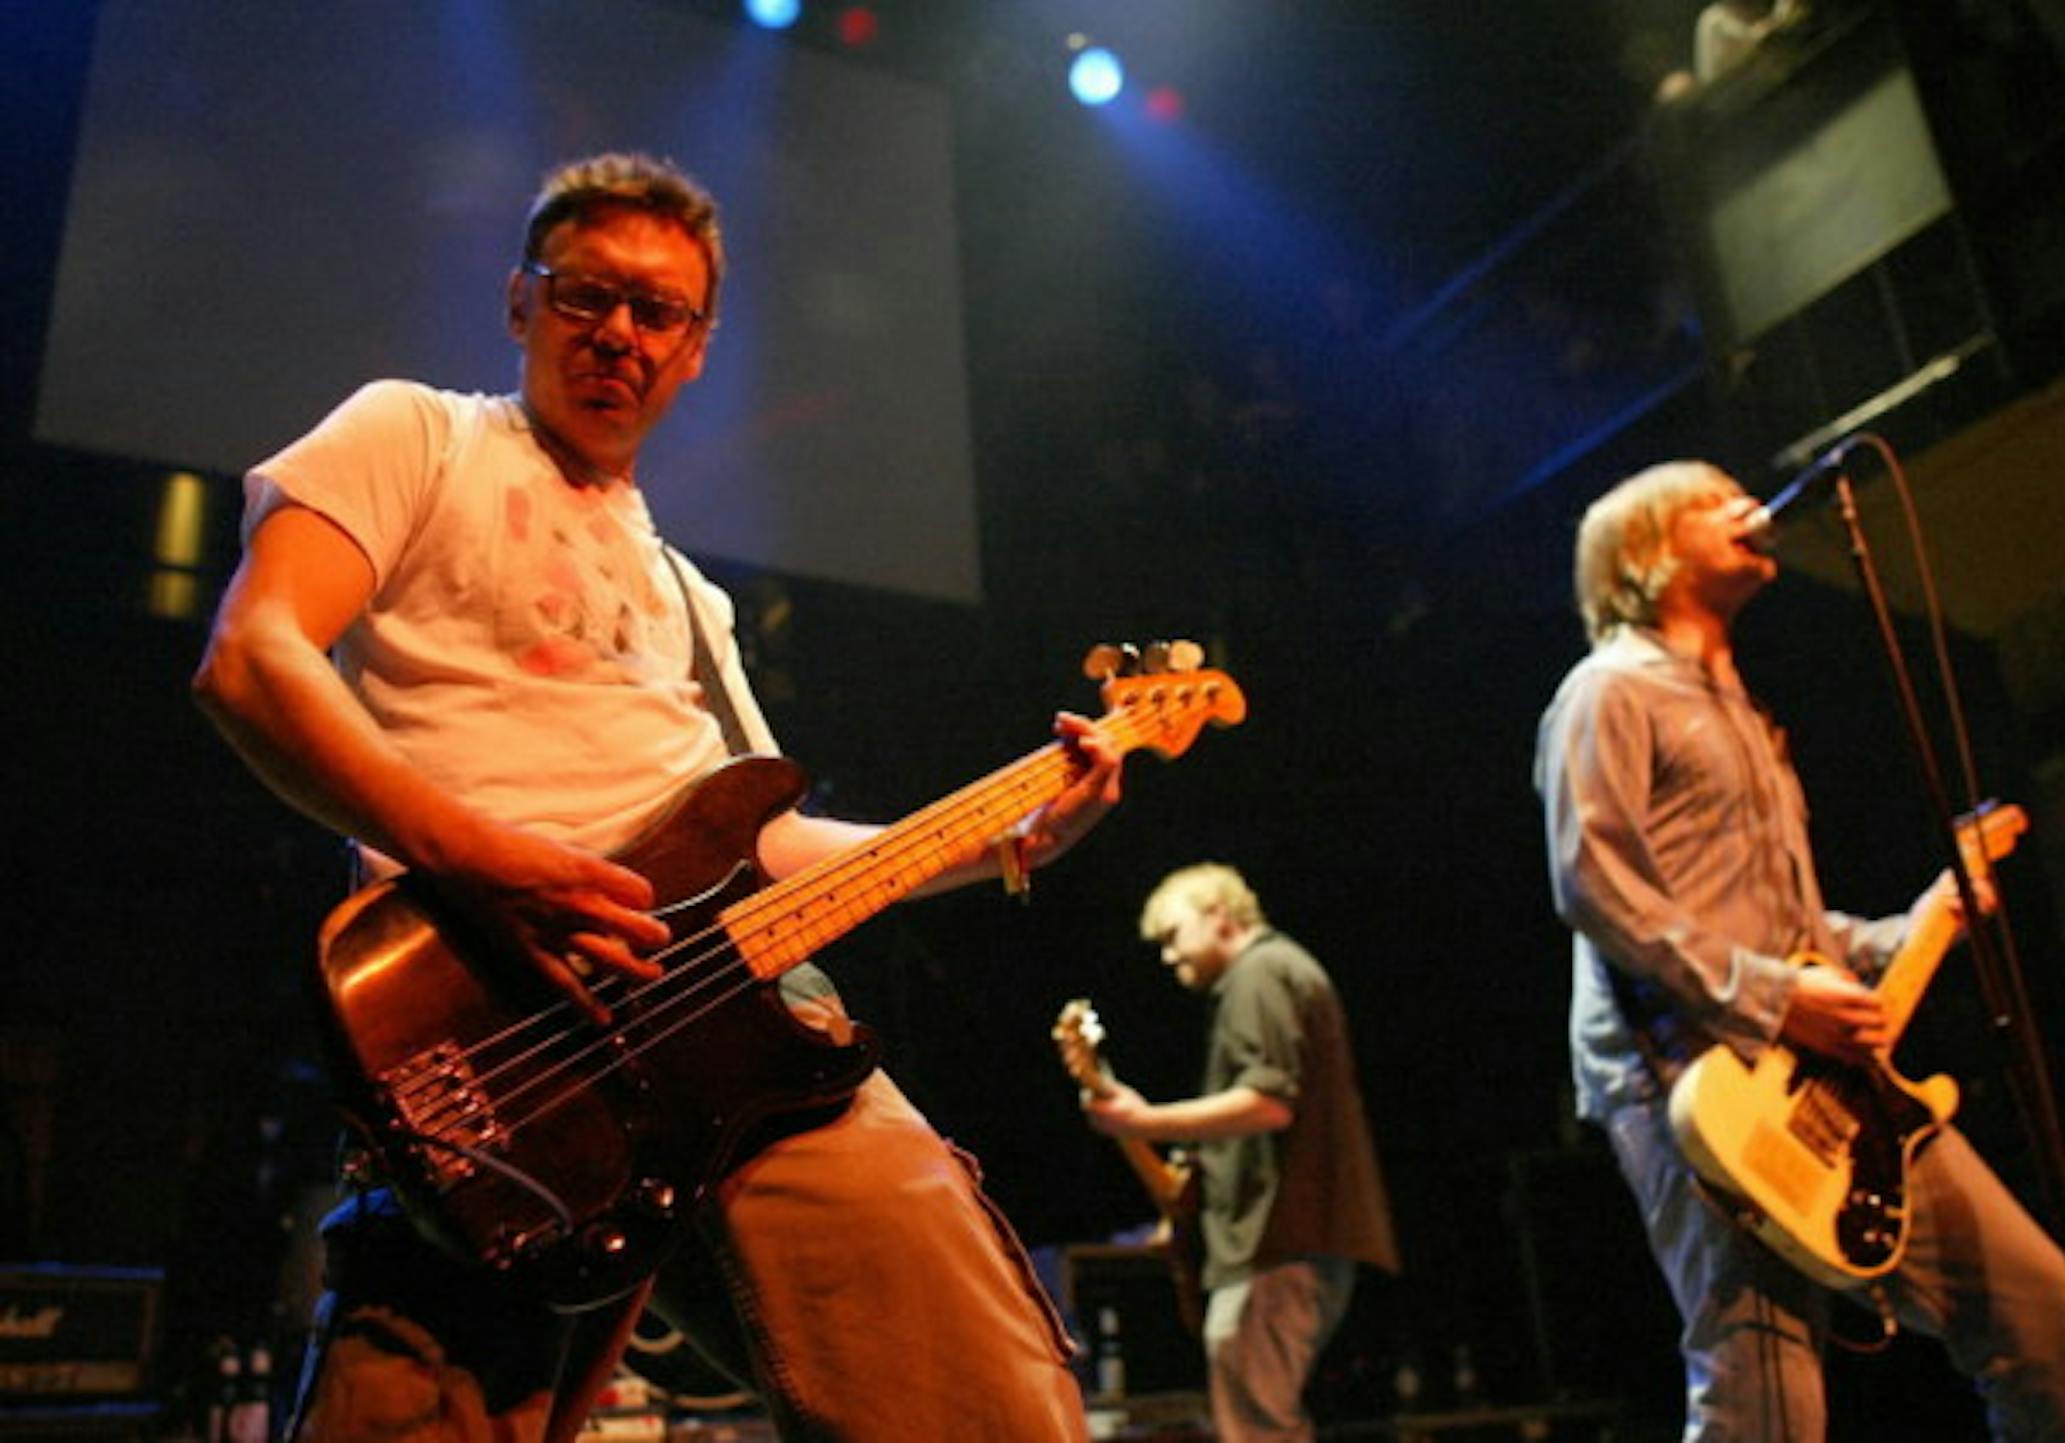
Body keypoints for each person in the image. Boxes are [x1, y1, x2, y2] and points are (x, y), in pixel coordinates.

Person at [192, 151, 1125, 1443]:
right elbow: (252, 657)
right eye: (587, 294)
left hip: (735, 1035)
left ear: (696, 351)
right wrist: (478, 859)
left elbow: (764, 847)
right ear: (522, 300)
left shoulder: (695, 595)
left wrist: (1006, 836)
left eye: (659, 312)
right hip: (490, 1033)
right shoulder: (414, 433)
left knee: (982, 1407)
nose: (620, 332)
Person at [1533, 460, 2065, 1441]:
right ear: (1646, 553)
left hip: (1817, 1075)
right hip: (1688, 1074)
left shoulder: (1748, 717)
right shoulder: (1606, 692)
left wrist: (1915, 923)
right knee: (1762, 1374)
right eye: (1713, 502)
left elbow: (1788, 923)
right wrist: (1772, 999)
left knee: (2031, 1301)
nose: (1747, 509)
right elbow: (1595, 885)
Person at [1066, 863, 1399, 1443]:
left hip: (1280, 1244)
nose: (1168, 957)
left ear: (1219, 915)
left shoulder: (1259, 973)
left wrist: (1145, 1121)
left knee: (1258, 1427)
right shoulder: (1272, 973)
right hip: (1288, 1241)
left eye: (1173, 936)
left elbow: (1269, 1104)